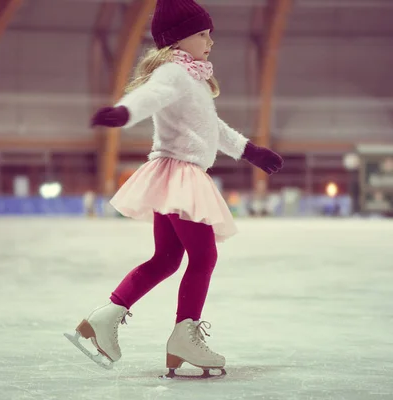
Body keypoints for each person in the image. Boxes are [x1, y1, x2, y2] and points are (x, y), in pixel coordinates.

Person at [68, 0, 283, 376]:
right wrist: (124, 112)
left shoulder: (193, 78)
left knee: (167, 259)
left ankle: (105, 318)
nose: (209, 42)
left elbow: (213, 130)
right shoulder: (174, 73)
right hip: (181, 175)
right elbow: (148, 96)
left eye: (209, 34)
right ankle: (184, 335)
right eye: (202, 34)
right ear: (178, 39)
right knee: (203, 258)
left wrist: (251, 151)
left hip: (176, 175)